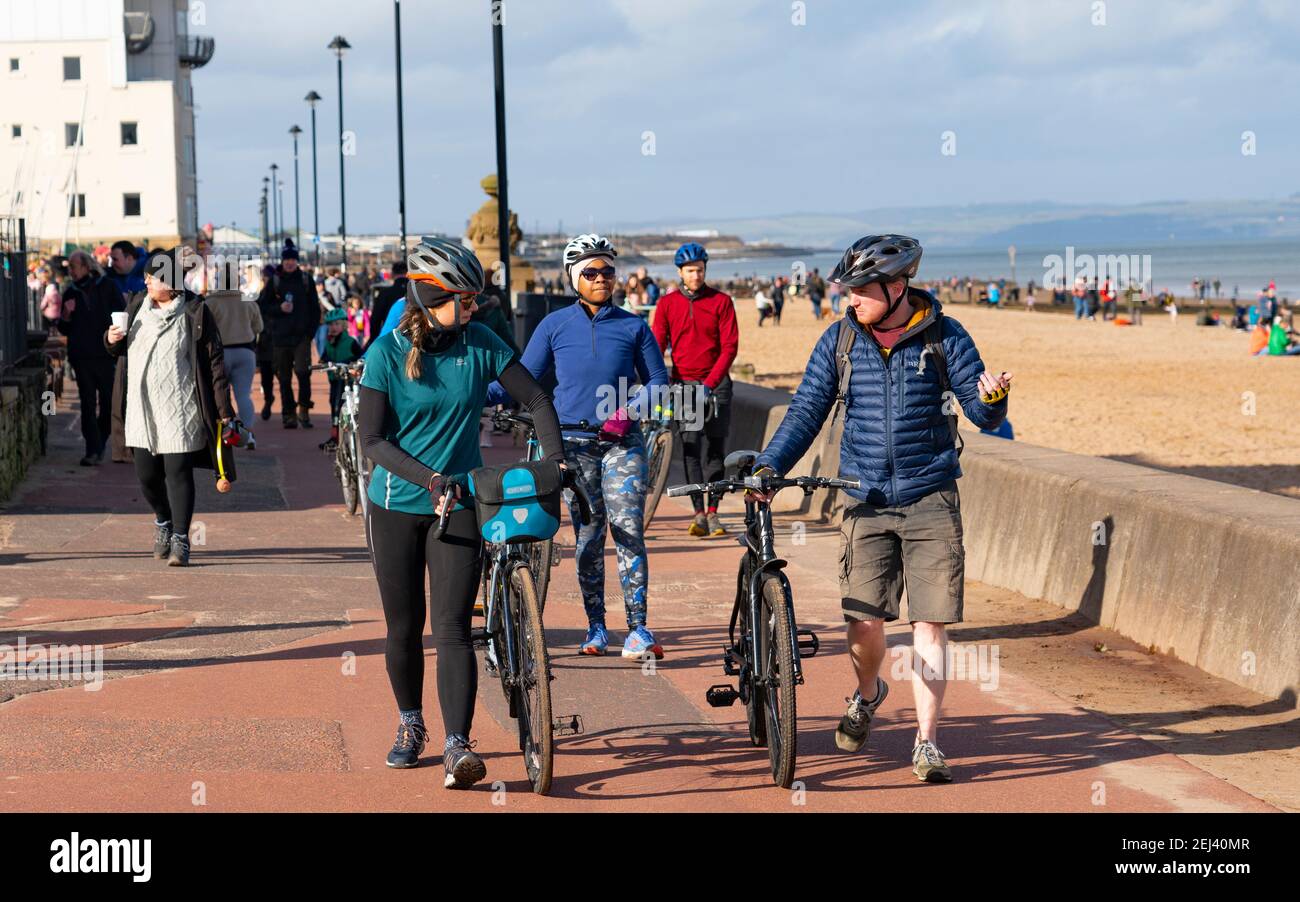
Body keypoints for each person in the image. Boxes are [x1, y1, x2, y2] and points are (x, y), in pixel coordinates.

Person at [751, 234, 1011, 784]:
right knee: (865, 624)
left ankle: (927, 742)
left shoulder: (945, 336)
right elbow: (806, 410)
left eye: (861, 291)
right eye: (847, 291)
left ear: (897, 288)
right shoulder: (840, 340)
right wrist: (772, 466)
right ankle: (868, 694)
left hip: (931, 495)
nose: (851, 301)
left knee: (930, 623)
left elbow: (982, 415)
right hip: (864, 498)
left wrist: (993, 399)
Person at [358, 237, 564, 788]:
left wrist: (558, 462)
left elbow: (537, 400)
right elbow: (372, 441)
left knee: (452, 628)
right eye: (465, 300)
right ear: (430, 296)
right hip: (397, 504)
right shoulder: (385, 355)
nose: (475, 309)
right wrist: (427, 478)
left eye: (475, 300)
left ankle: (457, 746)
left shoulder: (481, 343)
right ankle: (410, 724)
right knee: (405, 627)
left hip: (462, 504)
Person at [488, 234, 669, 659]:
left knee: (627, 530)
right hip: (572, 444)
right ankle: (596, 627)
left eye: (608, 271)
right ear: (574, 278)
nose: (602, 278)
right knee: (588, 537)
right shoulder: (553, 326)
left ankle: (638, 629)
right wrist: (472, 391)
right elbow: (523, 380)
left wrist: (628, 412)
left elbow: (660, 383)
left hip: (623, 443)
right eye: (591, 272)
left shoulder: (634, 326)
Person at [105, 247, 236, 567]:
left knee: (177, 473)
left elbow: (214, 363)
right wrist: (110, 338)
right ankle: (163, 520)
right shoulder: (135, 306)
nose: (147, 281)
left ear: (172, 281)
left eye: (154, 277)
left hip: (180, 407)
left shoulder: (195, 312)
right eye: (147, 276)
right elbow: (116, 349)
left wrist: (224, 412)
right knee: (146, 477)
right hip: (140, 408)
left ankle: (180, 538)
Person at [651, 242, 739, 537]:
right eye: (690, 271)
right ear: (680, 272)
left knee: (716, 450)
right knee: (691, 448)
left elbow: (729, 347)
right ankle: (698, 512)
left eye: (700, 270)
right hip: (684, 385)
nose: (696, 275)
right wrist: (654, 379)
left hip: (716, 385)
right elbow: (657, 345)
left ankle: (714, 512)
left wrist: (710, 384)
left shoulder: (722, 302)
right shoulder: (667, 304)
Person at [57, 251, 125, 465]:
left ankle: (99, 442)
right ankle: (91, 450)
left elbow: (121, 313)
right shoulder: (70, 292)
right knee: (87, 403)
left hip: (105, 354)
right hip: (81, 356)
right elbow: (63, 328)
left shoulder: (108, 286)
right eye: (69, 268)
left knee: (107, 403)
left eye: (74, 266)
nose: (71, 271)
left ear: (87, 266)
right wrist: (66, 315)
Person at [258, 239, 321, 428]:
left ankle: (303, 408)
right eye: (287, 260)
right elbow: (263, 305)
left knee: (303, 373)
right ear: (283, 261)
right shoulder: (275, 281)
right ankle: (289, 413)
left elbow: (315, 309)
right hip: (280, 338)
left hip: (302, 336)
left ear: (297, 261)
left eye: (292, 260)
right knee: (284, 378)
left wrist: (310, 333)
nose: (289, 263)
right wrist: (279, 308)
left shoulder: (305, 280)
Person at [204, 257, 263, 444]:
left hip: (219, 354)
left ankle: (219, 433)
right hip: (245, 351)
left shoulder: (210, 303)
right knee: (243, 395)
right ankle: (248, 435)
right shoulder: (248, 301)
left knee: (218, 395)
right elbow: (259, 327)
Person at [318, 309, 362, 450]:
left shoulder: (350, 342)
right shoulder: (328, 343)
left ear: (344, 325)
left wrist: (354, 363)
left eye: (336, 324)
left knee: (348, 407)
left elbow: (360, 357)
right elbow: (324, 357)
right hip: (334, 381)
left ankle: (352, 436)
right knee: (334, 407)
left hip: (348, 382)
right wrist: (322, 361)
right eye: (330, 325)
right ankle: (335, 436)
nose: (333, 327)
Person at [369, 260, 408, 346]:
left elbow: (375, 319)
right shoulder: (415, 293)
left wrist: (373, 340)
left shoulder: (385, 293)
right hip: (412, 339)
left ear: (393, 274)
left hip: (390, 339)